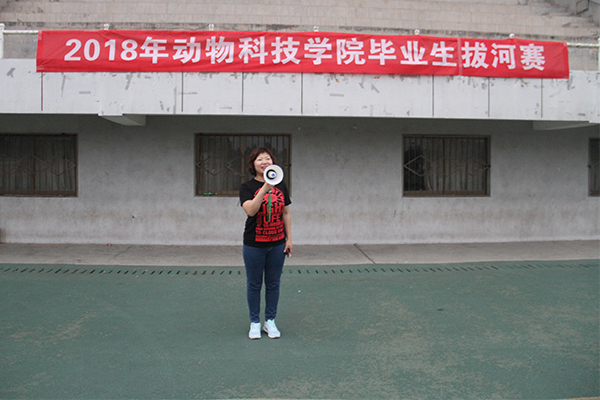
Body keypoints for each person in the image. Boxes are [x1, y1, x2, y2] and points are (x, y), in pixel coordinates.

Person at [239, 147, 292, 339]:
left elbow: (286, 213)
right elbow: (251, 211)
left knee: (273, 284)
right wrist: (264, 189)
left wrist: (289, 239)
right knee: (254, 284)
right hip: (254, 245)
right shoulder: (247, 187)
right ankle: (255, 322)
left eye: (267, 158)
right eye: (259, 159)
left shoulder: (281, 185)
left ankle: (270, 321)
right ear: (253, 164)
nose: (264, 162)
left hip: (277, 244)